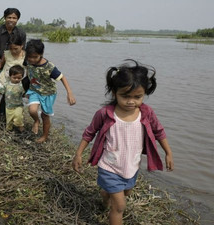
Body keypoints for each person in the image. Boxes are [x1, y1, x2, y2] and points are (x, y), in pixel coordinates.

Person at [71, 59, 174, 225]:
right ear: (114, 93)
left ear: (144, 94)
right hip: (109, 166)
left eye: (137, 97)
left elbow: (158, 131)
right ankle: (109, 199)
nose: (131, 101)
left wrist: (168, 152)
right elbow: (89, 132)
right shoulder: (105, 114)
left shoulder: (146, 113)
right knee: (119, 206)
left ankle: (105, 195)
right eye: (125, 96)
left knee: (125, 193)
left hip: (131, 166)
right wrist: (78, 154)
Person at [25, 39, 76, 143]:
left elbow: (62, 78)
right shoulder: (27, 61)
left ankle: (44, 136)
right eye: (29, 57)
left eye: (35, 57)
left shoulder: (49, 67)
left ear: (41, 54)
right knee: (32, 110)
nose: (32, 59)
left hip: (48, 93)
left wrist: (69, 93)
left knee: (45, 115)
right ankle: (36, 121)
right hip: (34, 90)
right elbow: (27, 72)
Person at [0, 8, 26, 101]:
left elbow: (22, 48)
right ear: (5, 18)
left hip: (12, 63)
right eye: (9, 17)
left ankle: (5, 108)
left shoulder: (21, 33)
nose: (11, 20)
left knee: (11, 84)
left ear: (17, 19)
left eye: (14, 18)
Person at [0, 34, 26, 122]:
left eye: (16, 48)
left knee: (16, 100)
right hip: (4, 78)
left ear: (22, 46)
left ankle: (16, 119)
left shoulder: (25, 56)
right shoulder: (7, 53)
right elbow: (1, 63)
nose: (13, 51)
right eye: (11, 48)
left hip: (17, 81)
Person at [0, 65, 25, 131]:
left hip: (19, 106)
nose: (16, 79)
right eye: (14, 78)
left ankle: (20, 127)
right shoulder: (6, 85)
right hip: (9, 106)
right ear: (10, 76)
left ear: (22, 77)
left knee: (19, 117)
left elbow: (25, 94)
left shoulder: (22, 85)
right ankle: (8, 130)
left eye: (19, 78)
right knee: (9, 120)